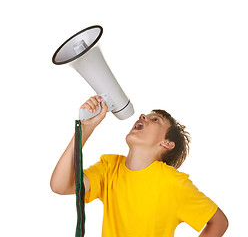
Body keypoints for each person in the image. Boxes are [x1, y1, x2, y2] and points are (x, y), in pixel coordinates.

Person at [50, 95, 228, 237]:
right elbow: (59, 185)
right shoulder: (109, 168)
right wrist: (84, 129)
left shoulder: (174, 183)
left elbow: (219, 222)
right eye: (145, 115)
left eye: (156, 119)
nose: (143, 116)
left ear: (166, 143)